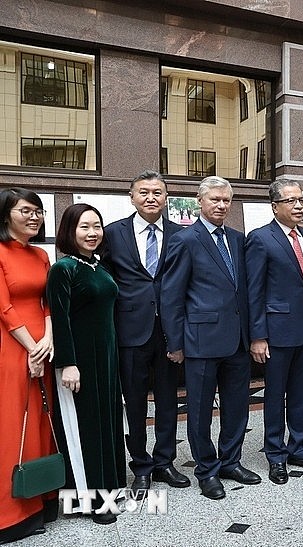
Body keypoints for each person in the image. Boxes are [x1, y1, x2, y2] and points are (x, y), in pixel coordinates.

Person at [161, 177, 260, 501]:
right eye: (215, 199)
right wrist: (175, 343)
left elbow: (244, 291)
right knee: (200, 410)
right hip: (200, 340)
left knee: (237, 407)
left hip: (237, 340)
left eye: (226, 201)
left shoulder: (238, 238)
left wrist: (254, 334)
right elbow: (172, 295)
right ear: (200, 201)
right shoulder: (185, 240)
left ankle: (231, 461)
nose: (220, 205)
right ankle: (207, 470)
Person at [100, 170, 189, 494]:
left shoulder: (181, 234)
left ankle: (165, 461)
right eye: (144, 192)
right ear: (132, 196)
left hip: (169, 330)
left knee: (169, 400)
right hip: (130, 330)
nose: (151, 198)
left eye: (158, 193)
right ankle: (140, 466)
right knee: (135, 402)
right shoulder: (112, 234)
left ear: (167, 198)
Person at [246, 179, 303, 485]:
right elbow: (254, 291)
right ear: (275, 206)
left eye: (302, 200)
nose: (299, 206)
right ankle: (275, 455)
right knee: (275, 395)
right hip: (277, 331)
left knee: (300, 394)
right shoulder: (260, 239)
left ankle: (298, 448)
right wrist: (258, 335)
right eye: (292, 201)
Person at [46, 203, 125, 525]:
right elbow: (59, 319)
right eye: (84, 227)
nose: (92, 233)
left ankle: (110, 488)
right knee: (86, 430)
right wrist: (68, 364)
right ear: (69, 231)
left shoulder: (97, 266)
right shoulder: (63, 269)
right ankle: (89, 499)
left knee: (106, 424)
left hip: (105, 358)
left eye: (97, 226)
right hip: (79, 362)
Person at [0, 189, 56, 542]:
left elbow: (47, 302)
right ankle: (11, 513)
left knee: (39, 422)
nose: (34, 217)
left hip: (43, 348)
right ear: (6, 215)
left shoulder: (41, 255)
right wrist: (32, 347)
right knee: (11, 423)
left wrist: (48, 340)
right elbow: (4, 308)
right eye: (26, 211)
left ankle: (41, 498)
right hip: (12, 347)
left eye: (38, 211)